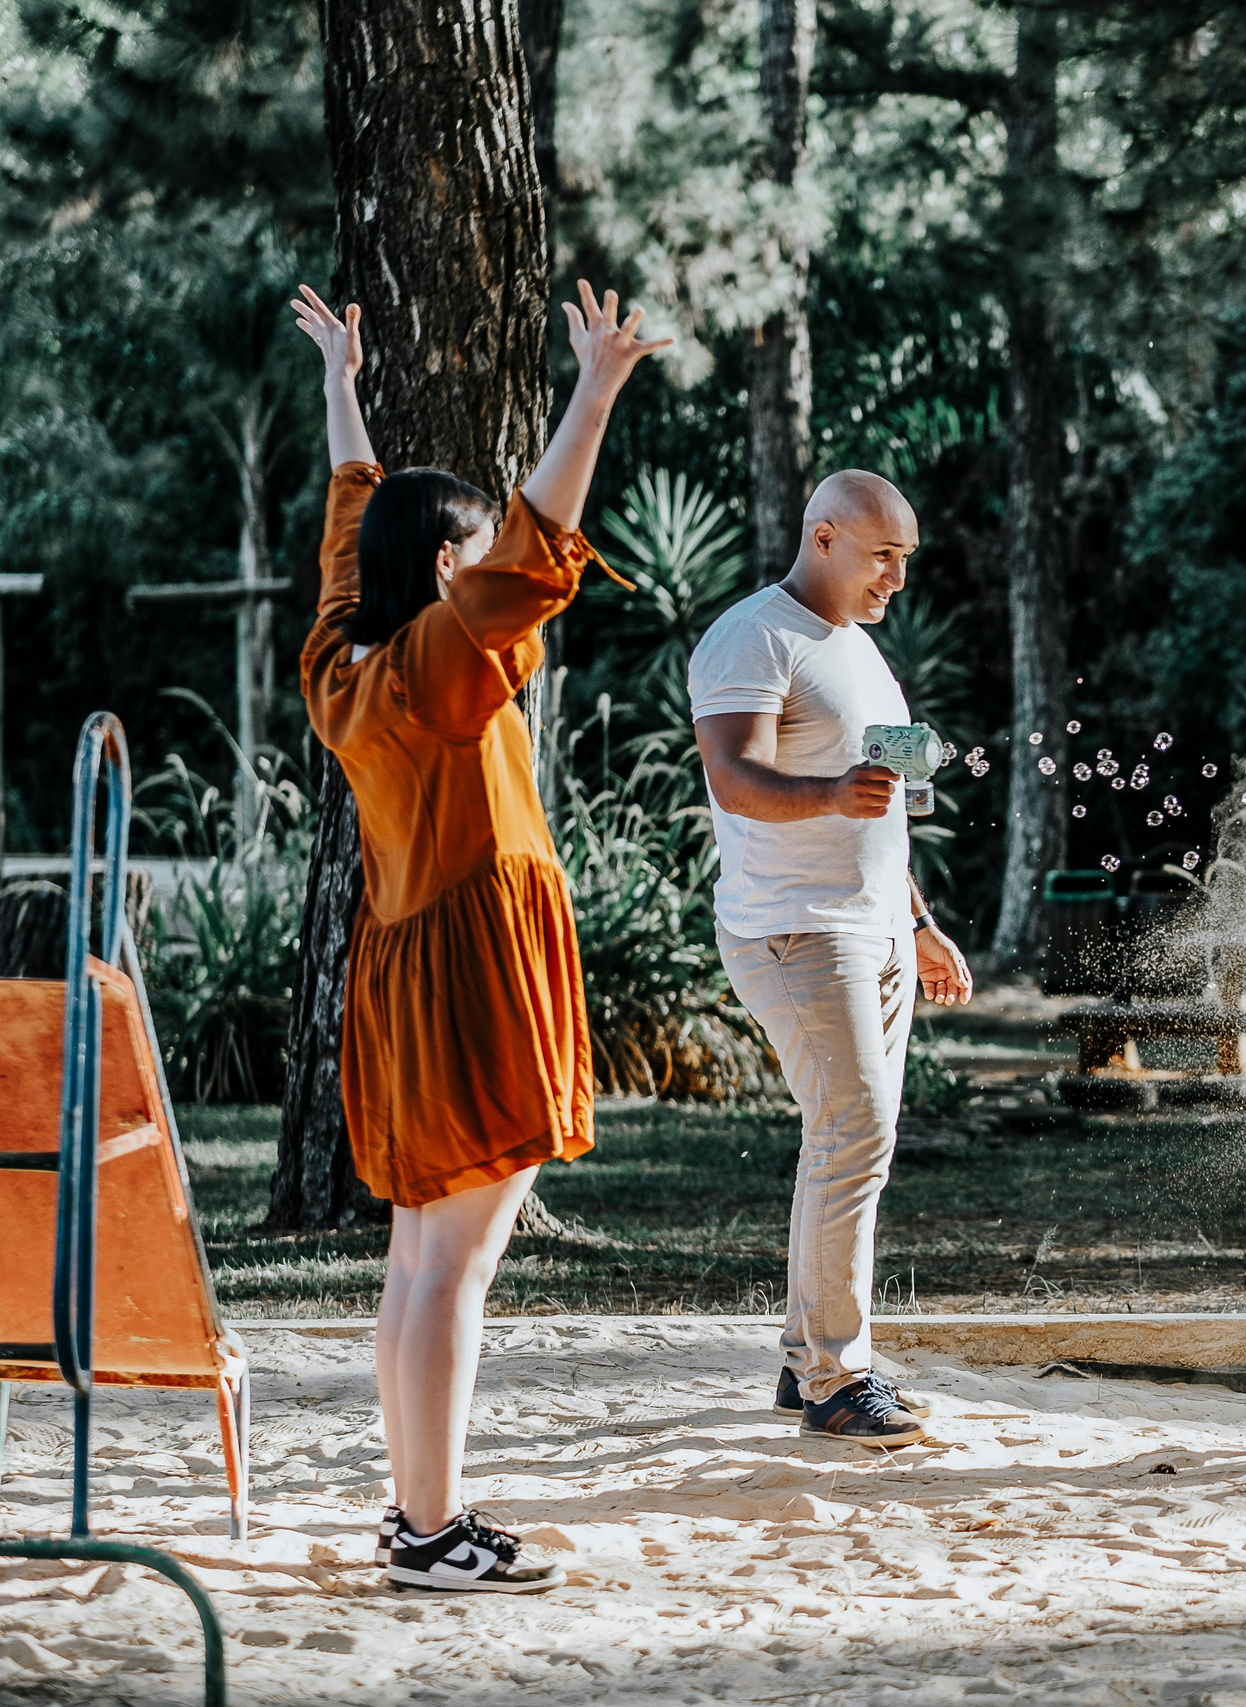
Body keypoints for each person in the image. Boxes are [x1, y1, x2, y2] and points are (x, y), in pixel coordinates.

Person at [293, 280, 670, 1592]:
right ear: (449, 571)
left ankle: (417, 1512)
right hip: (468, 983)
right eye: (471, 559)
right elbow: (536, 545)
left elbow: (351, 530)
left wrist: (346, 383)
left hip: (405, 982)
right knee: (454, 1264)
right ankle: (436, 1529)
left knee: (417, 1257)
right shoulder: (439, 669)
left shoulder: (344, 666)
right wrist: (599, 386)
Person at [689, 470, 974, 1448]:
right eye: (881, 555)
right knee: (852, 1135)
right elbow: (730, 775)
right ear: (823, 539)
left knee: (848, 1139)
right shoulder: (753, 636)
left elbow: (896, 805)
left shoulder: (865, 656)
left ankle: (806, 1359)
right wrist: (826, 795)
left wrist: (922, 924)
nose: (897, 576)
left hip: (876, 928)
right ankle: (833, 1379)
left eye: (906, 559)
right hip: (797, 928)